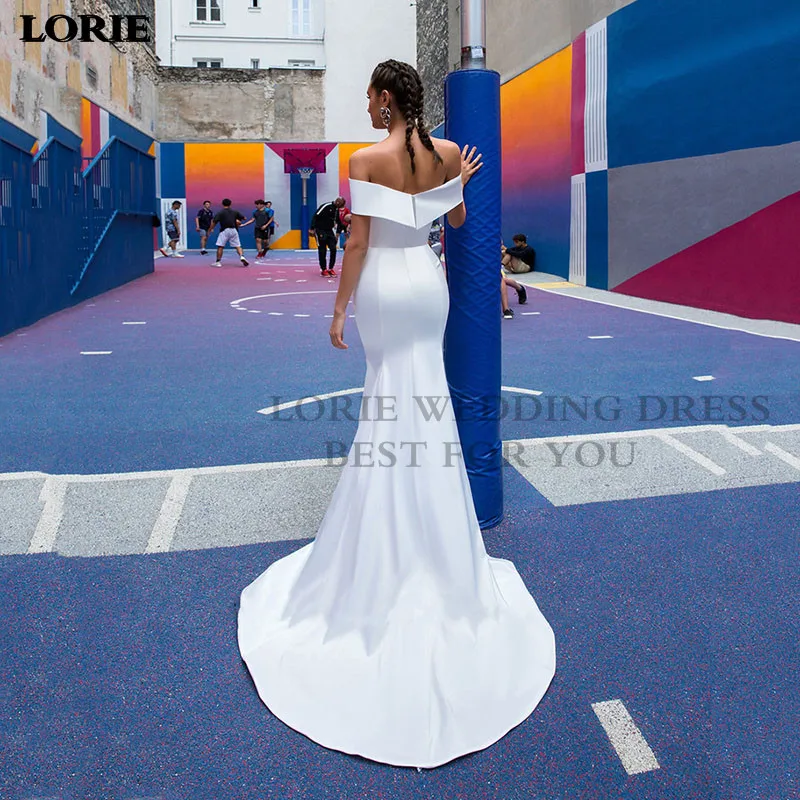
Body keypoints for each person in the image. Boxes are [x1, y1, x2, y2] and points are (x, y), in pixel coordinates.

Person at [238, 59, 555, 769]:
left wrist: (338, 309)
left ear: (386, 99)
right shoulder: (447, 154)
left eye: (368, 97)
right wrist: (457, 182)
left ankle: (387, 541)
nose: (367, 106)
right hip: (427, 287)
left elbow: (357, 242)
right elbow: (458, 222)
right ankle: (435, 542)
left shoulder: (365, 159)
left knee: (386, 405)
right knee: (426, 404)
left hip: (385, 287)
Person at [207, 198, 249, 267]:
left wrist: (209, 230)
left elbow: (214, 222)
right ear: (230, 204)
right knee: (238, 246)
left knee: (220, 246)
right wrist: (237, 220)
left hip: (224, 230)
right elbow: (244, 218)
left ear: (222, 204)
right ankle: (242, 256)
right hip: (234, 230)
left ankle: (218, 262)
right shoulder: (235, 212)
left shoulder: (220, 212)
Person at [310, 196, 346, 276]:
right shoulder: (326, 206)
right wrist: (312, 228)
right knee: (322, 250)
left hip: (329, 231)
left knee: (333, 249)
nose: (341, 207)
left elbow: (339, 222)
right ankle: (324, 269)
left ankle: (330, 268)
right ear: (338, 202)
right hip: (320, 229)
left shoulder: (336, 210)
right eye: (341, 205)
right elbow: (316, 216)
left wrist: (338, 234)